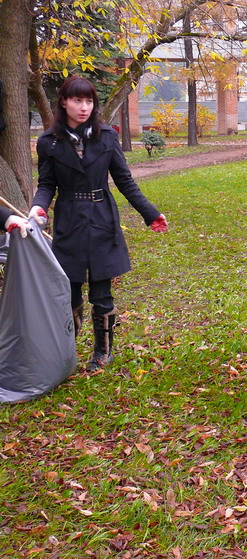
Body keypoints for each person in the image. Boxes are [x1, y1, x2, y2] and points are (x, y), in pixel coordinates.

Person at [31, 76, 168, 372]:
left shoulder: (106, 136)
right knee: (69, 290)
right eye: (77, 100)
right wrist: (38, 209)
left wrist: (150, 213)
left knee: (101, 292)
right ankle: (65, 350)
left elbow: (124, 181)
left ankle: (102, 352)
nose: (83, 107)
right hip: (69, 220)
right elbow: (46, 184)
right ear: (64, 102)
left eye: (89, 101)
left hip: (102, 218)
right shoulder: (49, 142)